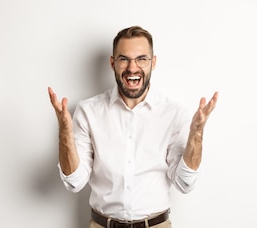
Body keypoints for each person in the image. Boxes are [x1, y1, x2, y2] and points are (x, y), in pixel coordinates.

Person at [48, 25, 218, 228]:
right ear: (113, 63)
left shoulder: (174, 113)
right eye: (124, 59)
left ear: (153, 62)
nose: (132, 68)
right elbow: (74, 183)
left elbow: (185, 183)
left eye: (141, 59)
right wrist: (65, 134)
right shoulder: (88, 111)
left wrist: (197, 135)